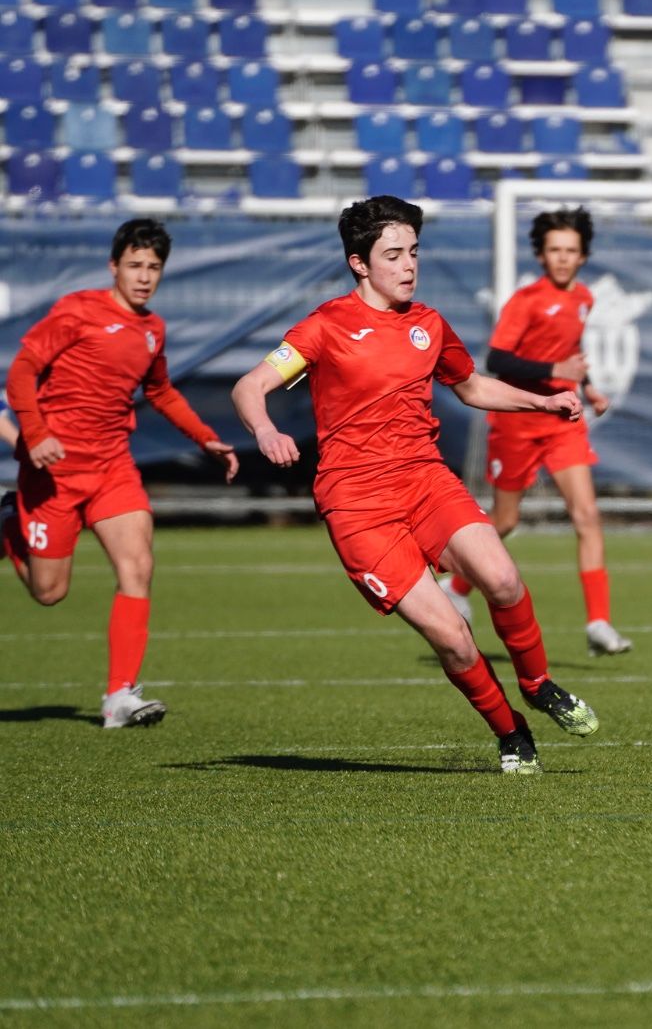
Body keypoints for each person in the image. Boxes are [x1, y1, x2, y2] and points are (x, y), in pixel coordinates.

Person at [231, 196, 598, 774]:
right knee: (452, 637)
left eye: (414, 253)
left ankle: (537, 682)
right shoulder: (325, 326)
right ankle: (511, 731)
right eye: (393, 255)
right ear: (360, 263)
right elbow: (250, 385)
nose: (408, 266)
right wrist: (265, 428)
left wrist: (543, 401)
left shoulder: (428, 323)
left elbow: (472, 385)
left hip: (424, 478)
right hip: (357, 504)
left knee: (502, 578)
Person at [2, 218, 239, 729]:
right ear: (114, 266)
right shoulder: (77, 311)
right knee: (50, 594)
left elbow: (160, 392)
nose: (144, 276)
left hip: (112, 468)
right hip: (55, 472)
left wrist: (206, 438)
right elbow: (21, 371)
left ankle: (118, 697)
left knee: (138, 567)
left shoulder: (153, 329)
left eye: (153, 268)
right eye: (135, 265)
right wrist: (38, 433)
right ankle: (9, 524)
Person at [437, 207, 631, 658]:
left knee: (587, 516)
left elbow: (570, 350)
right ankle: (457, 585)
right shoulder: (524, 301)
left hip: (562, 422)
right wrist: (553, 370)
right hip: (516, 423)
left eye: (571, 251)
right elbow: (497, 361)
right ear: (541, 256)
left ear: (583, 256)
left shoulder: (584, 297)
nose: (562, 258)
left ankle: (599, 622)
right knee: (504, 521)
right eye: (554, 250)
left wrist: (588, 386)